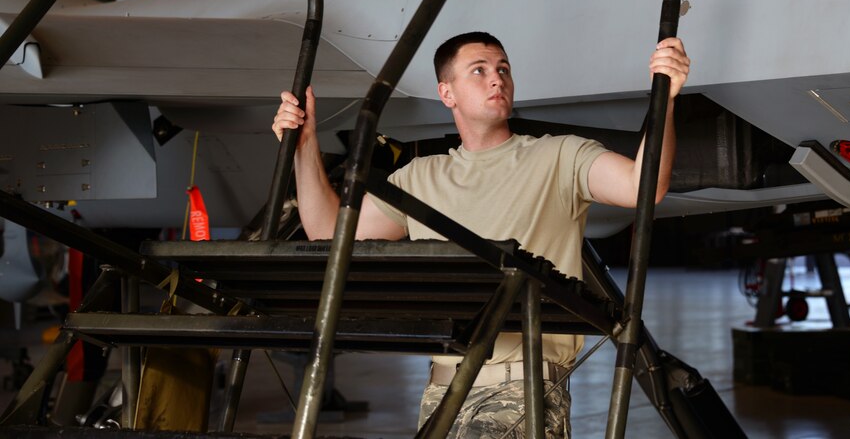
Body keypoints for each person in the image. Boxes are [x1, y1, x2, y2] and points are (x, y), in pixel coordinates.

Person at [272, 31, 690, 438]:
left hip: (522, 390)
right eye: (479, 70)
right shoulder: (418, 178)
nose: (497, 79)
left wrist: (665, 100)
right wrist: (303, 146)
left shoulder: (559, 156)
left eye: (503, 69)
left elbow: (644, 186)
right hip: (441, 392)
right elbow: (330, 235)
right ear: (447, 93)